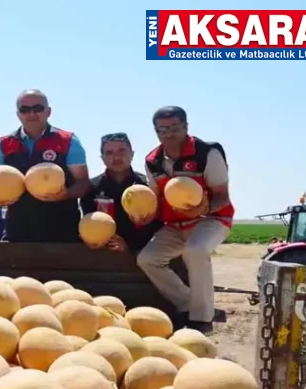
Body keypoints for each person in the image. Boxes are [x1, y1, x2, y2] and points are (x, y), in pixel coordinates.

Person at [135, 106, 235, 334]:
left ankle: (201, 321)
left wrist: (203, 208)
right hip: (175, 226)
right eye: (162, 129)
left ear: (186, 127)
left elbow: (222, 195)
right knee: (148, 259)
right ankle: (188, 304)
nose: (169, 133)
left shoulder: (207, 152)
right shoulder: (152, 160)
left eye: (174, 128)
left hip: (212, 220)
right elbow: (157, 198)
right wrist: (147, 213)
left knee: (196, 250)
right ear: (156, 131)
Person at [0, 89, 91, 242]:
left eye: (37, 108)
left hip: (63, 232)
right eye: (25, 109)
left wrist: (66, 194)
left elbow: (83, 183)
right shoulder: (2, 145)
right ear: (18, 114)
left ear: (48, 111)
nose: (31, 114)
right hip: (18, 231)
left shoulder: (68, 141)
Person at [80, 132, 163, 253]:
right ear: (102, 158)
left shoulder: (148, 186)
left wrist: (129, 245)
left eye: (121, 150)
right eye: (109, 153)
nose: (116, 157)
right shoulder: (91, 188)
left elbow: (156, 226)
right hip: (103, 255)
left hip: (142, 255)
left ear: (132, 154)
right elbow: (91, 224)